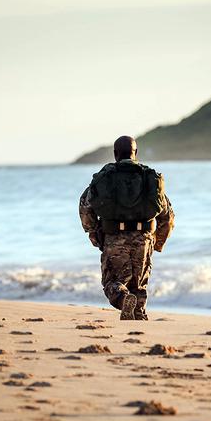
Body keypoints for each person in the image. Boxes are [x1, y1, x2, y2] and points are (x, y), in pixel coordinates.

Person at [79, 136, 174, 320]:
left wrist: (93, 233)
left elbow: (85, 206)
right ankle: (137, 315)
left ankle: (124, 301)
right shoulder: (149, 178)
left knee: (113, 283)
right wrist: (157, 242)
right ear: (135, 153)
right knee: (139, 286)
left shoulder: (105, 178)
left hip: (114, 238)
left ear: (115, 154)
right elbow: (167, 216)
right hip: (144, 239)